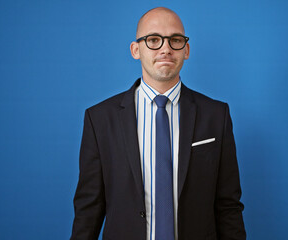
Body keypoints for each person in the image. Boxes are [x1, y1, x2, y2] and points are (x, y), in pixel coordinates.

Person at [71, 7, 246, 240]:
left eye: (175, 40)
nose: (166, 49)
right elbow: (88, 210)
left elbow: (228, 206)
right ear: (136, 50)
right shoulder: (100, 119)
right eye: (153, 39)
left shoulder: (216, 115)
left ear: (186, 50)